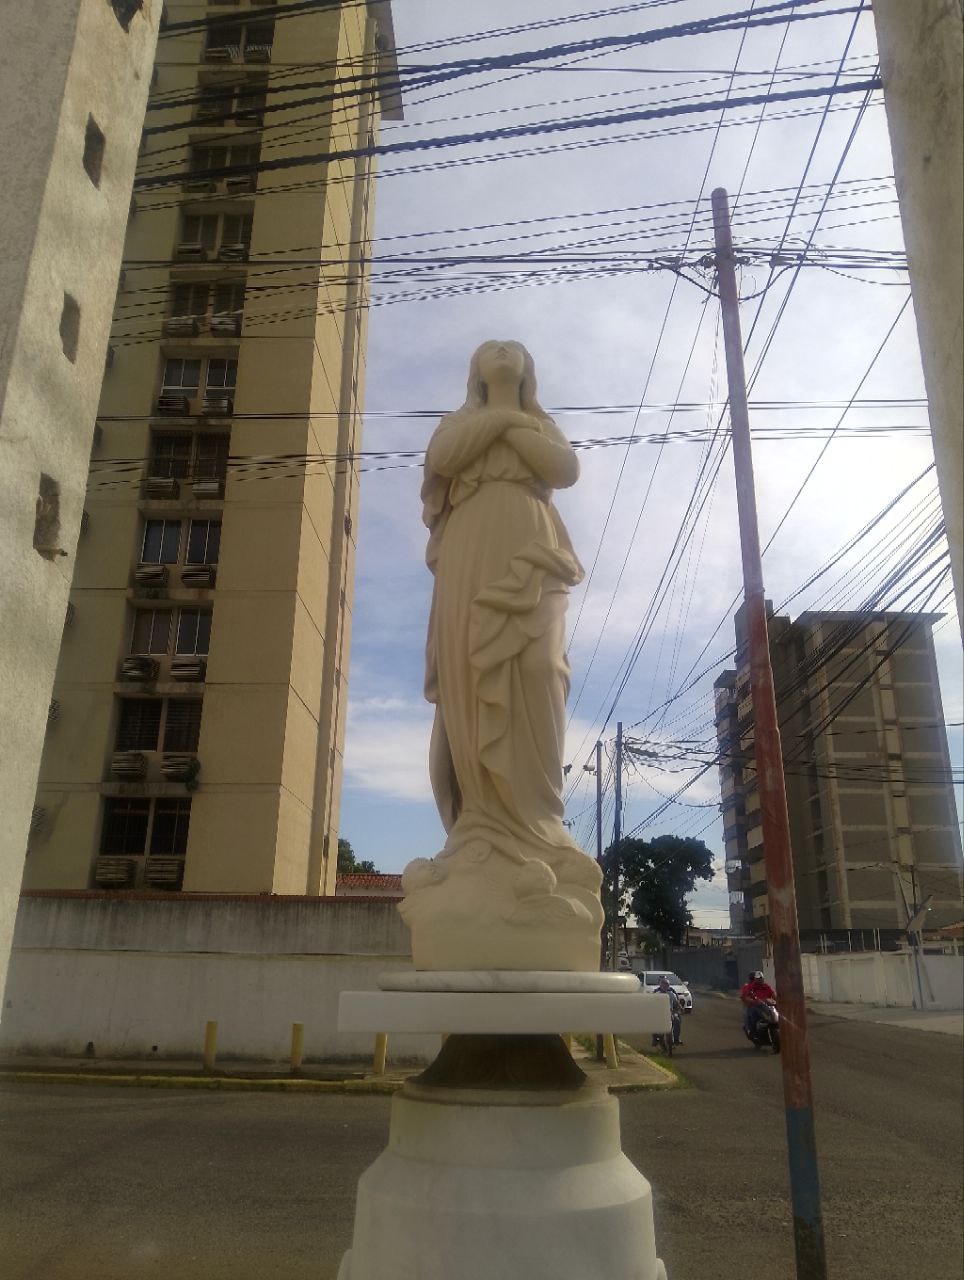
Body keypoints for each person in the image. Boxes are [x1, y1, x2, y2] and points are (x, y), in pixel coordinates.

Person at [740, 970, 776, 1038]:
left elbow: (773, 994)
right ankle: (752, 1032)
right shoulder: (749, 986)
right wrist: (753, 1001)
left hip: (766, 1005)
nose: (760, 980)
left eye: (761, 979)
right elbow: (745, 997)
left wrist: (776, 1000)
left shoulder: (766, 986)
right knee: (752, 1014)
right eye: (758, 979)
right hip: (754, 1006)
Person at [651, 975, 683, 1047]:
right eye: (663, 983)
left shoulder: (671, 993)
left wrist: (680, 1008)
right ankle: (655, 1038)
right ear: (660, 983)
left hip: (670, 1012)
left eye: (667, 984)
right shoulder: (656, 993)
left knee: (677, 1020)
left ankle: (676, 1038)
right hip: (659, 1013)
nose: (665, 986)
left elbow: (676, 1002)